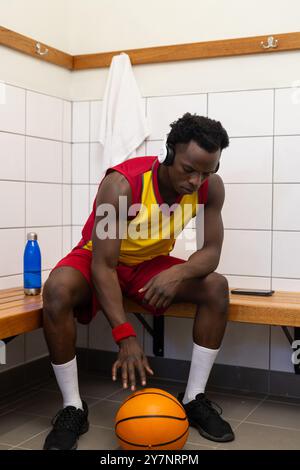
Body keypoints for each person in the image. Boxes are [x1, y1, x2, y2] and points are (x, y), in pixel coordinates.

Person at [42, 112, 234, 450]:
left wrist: (177, 273)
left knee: (216, 287)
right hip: (98, 257)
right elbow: (103, 265)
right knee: (57, 289)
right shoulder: (121, 184)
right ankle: (73, 407)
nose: (195, 181)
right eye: (189, 169)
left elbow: (211, 252)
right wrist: (124, 335)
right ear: (169, 152)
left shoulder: (209, 188)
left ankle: (193, 398)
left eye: (207, 172)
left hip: (150, 264)